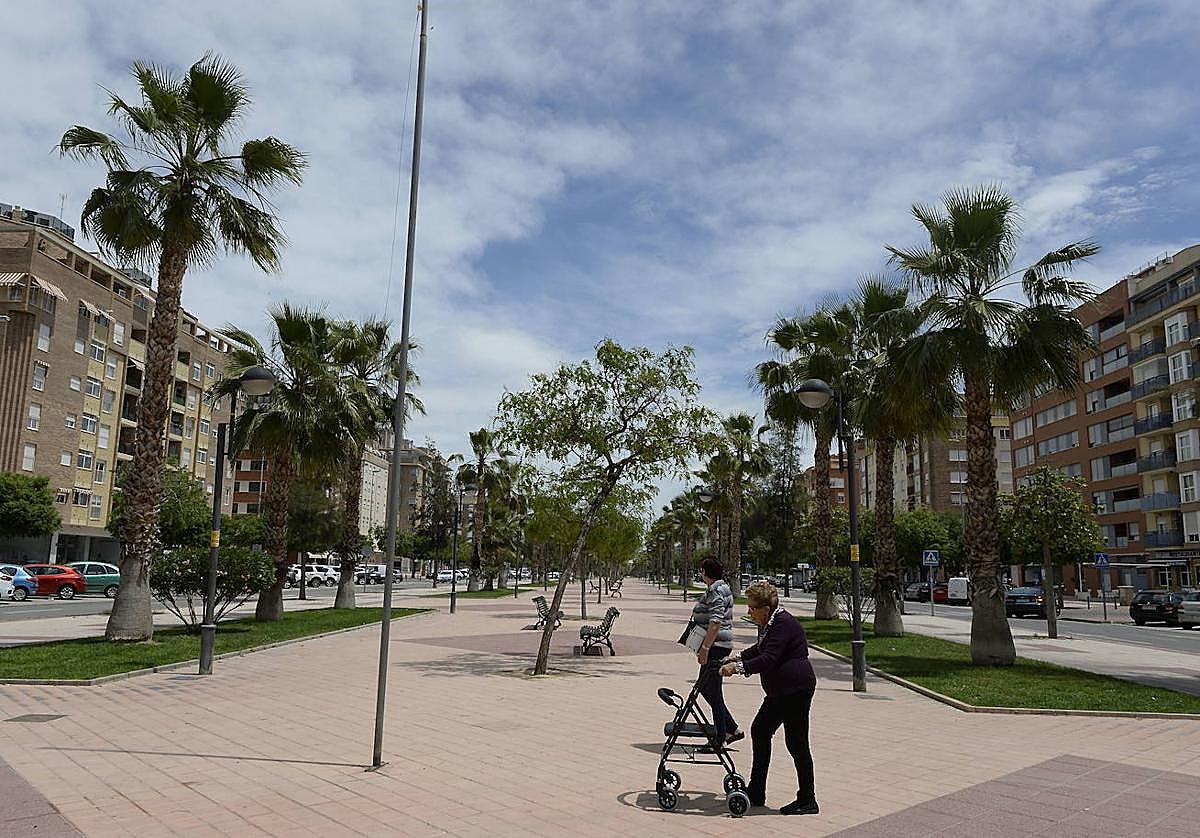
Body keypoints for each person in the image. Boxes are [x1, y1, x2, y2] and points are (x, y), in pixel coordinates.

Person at [720, 580, 818, 815]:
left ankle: (807, 799)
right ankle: (756, 791)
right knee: (761, 730)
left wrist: (738, 668)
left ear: (766, 607)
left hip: (795, 690)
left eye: (753, 608)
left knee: (797, 744)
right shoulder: (770, 623)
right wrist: (737, 657)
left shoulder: (782, 623)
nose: (749, 612)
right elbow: (761, 648)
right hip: (779, 692)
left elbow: (769, 658)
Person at [688, 558, 743, 752]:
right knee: (706, 688)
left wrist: (705, 649)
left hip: (716, 645)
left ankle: (720, 738)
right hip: (718, 644)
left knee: (712, 690)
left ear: (705, 572)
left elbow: (716, 622)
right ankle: (732, 729)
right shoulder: (722, 587)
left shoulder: (715, 591)